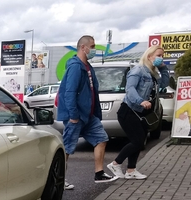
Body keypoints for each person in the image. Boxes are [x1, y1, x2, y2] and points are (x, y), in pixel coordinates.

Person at [57, 35, 117, 189]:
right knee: (68, 147)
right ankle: (58, 179)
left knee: (101, 139)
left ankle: (99, 174)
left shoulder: (87, 67)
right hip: (76, 116)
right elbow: (69, 92)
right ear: (83, 47)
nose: (94, 49)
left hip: (89, 116)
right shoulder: (76, 66)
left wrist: (95, 113)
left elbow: (91, 91)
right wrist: (74, 116)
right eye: (92, 46)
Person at [107, 45, 170, 180]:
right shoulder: (138, 70)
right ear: (149, 56)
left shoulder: (152, 73)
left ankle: (131, 170)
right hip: (128, 111)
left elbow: (164, 84)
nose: (161, 58)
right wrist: (141, 101)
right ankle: (115, 163)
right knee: (137, 141)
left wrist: (163, 68)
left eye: (162, 56)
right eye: (158, 55)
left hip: (140, 113)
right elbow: (130, 89)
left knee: (138, 140)